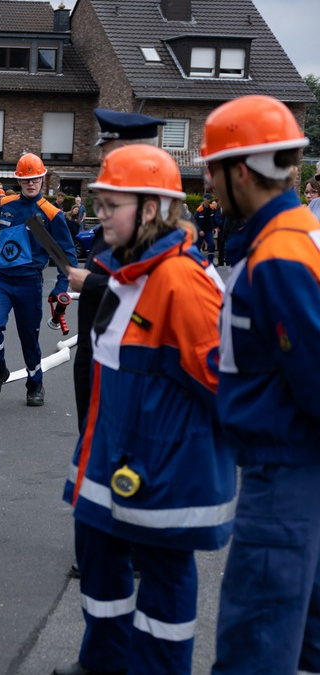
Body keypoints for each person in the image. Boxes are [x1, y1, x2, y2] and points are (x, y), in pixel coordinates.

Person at [56, 144, 233, 675]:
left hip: (160, 474)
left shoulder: (184, 283)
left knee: (163, 590)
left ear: (151, 210)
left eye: (113, 204)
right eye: (100, 202)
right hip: (110, 462)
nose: (101, 213)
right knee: (102, 574)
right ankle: (103, 665)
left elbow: (223, 389)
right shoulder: (126, 273)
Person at [202, 95, 320, 675]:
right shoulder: (294, 239)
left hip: (283, 473)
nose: (208, 181)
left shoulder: (278, 257)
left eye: (212, 167)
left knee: (256, 641)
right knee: (303, 639)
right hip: (295, 468)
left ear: (241, 172)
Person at [66, 108, 166, 428]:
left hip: (120, 360)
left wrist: (92, 283)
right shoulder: (126, 218)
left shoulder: (152, 225)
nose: (101, 161)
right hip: (96, 347)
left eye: (107, 154)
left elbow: (148, 293)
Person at [0, 153, 76, 406]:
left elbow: (67, 255)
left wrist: (61, 286)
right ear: (19, 181)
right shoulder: (5, 206)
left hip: (30, 283)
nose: (31, 184)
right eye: (26, 180)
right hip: (2, 280)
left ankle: (35, 384)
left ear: (43, 178)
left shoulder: (52, 214)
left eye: (36, 179)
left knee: (29, 337)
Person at [193, 194, 218, 264]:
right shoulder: (199, 209)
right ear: (204, 199)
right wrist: (199, 230)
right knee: (197, 247)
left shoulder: (212, 208)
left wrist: (216, 227)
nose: (209, 200)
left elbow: (214, 219)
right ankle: (196, 262)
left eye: (210, 199)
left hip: (208, 231)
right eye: (207, 199)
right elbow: (195, 221)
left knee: (212, 245)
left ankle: (210, 262)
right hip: (200, 231)